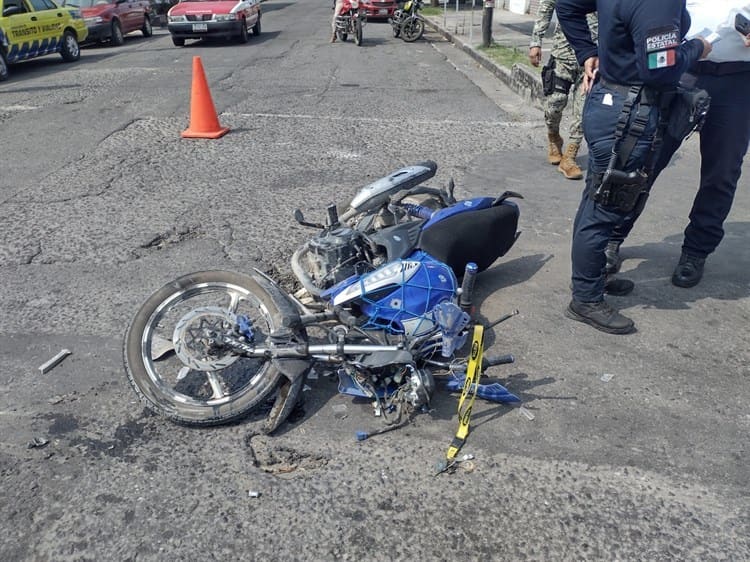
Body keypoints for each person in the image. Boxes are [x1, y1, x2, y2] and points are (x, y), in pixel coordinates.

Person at [556, 0, 711, 334]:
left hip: (612, 103)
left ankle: (590, 281)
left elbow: (567, 4)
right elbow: (660, 68)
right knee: (605, 208)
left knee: (596, 200)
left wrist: (588, 52)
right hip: (628, 115)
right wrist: (698, 47)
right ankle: (585, 299)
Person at [605, 2, 750, 289]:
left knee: (721, 173)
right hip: (683, 69)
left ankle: (696, 251)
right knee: (646, 158)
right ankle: (612, 236)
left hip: (738, 80)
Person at [529, 1, 598, 180]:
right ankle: (553, 137)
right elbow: (546, 7)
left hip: (593, 59)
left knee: (583, 112)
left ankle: (569, 157)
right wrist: (536, 42)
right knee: (554, 105)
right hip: (563, 56)